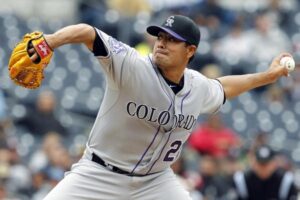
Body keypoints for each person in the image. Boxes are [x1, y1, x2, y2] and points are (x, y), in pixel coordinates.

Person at [26, 14, 291, 200]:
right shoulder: (132, 65)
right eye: (160, 36)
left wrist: (267, 76)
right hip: (99, 173)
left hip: (155, 182)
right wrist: (48, 42)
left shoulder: (197, 87)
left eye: (172, 39)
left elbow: (225, 87)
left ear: (191, 50)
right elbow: (88, 32)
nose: (161, 42)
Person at [232, 145, 298, 200]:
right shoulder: (242, 180)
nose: (263, 168)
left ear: (274, 164)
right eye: (260, 164)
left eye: (266, 164)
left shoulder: (285, 181)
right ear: (253, 164)